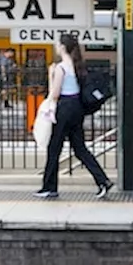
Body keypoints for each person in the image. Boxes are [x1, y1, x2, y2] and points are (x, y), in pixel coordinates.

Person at [36, 33, 113, 200]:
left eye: (57, 44)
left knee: (54, 148)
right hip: (77, 108)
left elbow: (55, 94)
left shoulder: (60, 67)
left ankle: (49, 187)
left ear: (62, 47)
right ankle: (102, 180)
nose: (56, 47)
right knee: (80, 149)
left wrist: (50, 77)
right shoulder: (77, 66)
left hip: (64, 107)